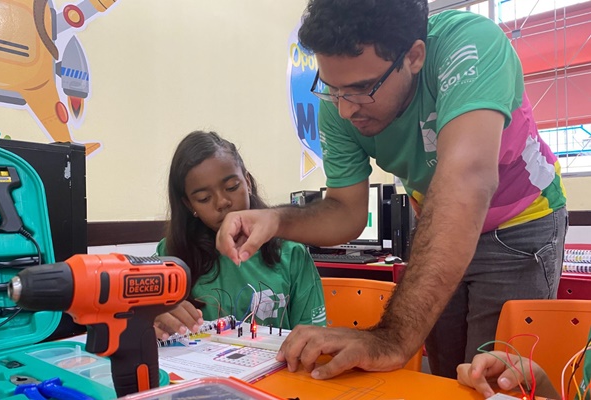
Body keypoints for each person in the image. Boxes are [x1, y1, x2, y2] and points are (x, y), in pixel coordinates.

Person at [215, 0, 568, 380]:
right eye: (332, 88)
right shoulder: (339, 104)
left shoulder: (469, 44)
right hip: (438, 220)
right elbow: (345, 212)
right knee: (448, 376)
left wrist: (393, 338)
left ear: (414, 56)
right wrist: (276, 218)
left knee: (493, 379)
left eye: (362, 88)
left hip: (519, 221)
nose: (345, 109)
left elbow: (465, 182)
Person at [154, 130, 326, 339]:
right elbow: (147, 324)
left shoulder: (291, 252)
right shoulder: (170, 255)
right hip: (201, 370)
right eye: (204, 198)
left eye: (232, 187)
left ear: (248, 182)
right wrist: (152, 319)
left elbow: (314, 336)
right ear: (189, 205)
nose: (222, 202)